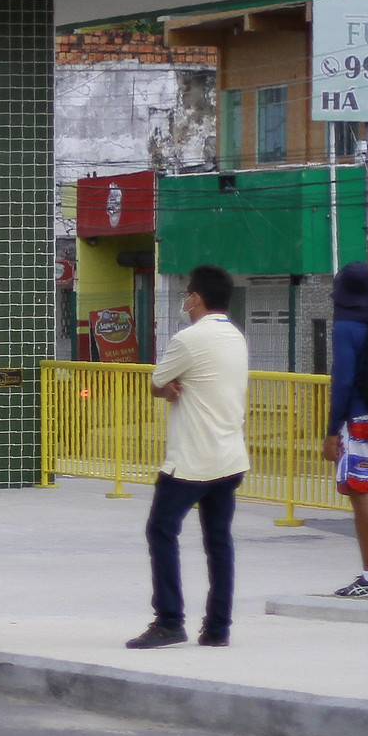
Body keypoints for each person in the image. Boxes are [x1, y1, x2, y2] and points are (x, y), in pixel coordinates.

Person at [126, 264, 250, 649]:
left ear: (196, 297)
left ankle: (169, 621)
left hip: (191, 459)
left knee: (161, 530)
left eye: (187, 294)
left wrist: (167, 390)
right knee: (219, 541)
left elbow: (157, 382)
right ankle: (218, 627)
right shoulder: (236, 337)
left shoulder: (188, 339)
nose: (185, 300)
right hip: (230, 456)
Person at [323, 259, 368, 598]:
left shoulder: (345, 328)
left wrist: (332, 430)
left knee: (361, 492)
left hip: (359, 420)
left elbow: (343, 381)